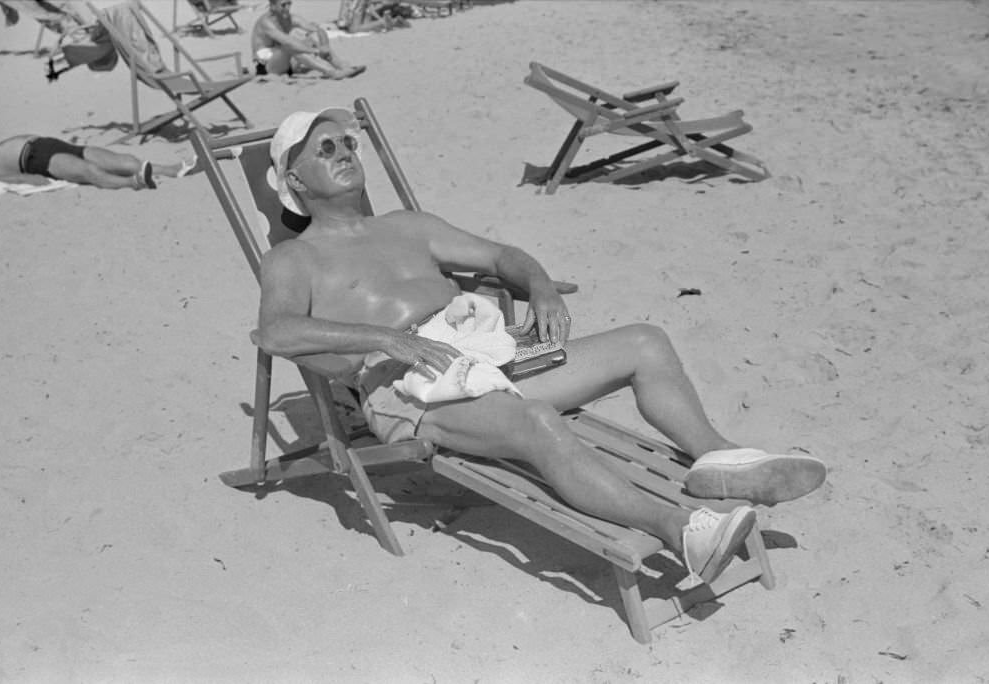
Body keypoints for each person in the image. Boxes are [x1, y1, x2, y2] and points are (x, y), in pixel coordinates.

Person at [253, 109, 828, 585]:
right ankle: (682, 530)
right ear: (297, 181)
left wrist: (542, 287)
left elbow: (503, 257)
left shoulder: (407, 224)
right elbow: (274, 332)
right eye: (325, 148)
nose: (344, 152)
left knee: (645, 343)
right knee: (539, 422)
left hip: (485, 349)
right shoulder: (294, 259)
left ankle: (719, 462)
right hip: (413, 383)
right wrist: (386, 340)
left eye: (348, 141)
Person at [0, 134, 194, 190]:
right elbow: (4, 177)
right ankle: (133, 183)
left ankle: (171, 169)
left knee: (119, 161)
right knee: (89, 171)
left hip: (47, 143)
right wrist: (27, 179)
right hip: (34, 160)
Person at [251, 0, 366, 79]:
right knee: (290, 45)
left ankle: (342, 66)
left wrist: (324, 45)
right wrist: (315, 51)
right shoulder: (266, 22)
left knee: (313, 37)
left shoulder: (291, 18)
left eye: (289, 3)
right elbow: (288, 42)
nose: (287, 8)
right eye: (283, 5)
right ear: (272, 7)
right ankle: (331, 72)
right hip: (267, 67)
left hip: (287, 63)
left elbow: (318, 30)